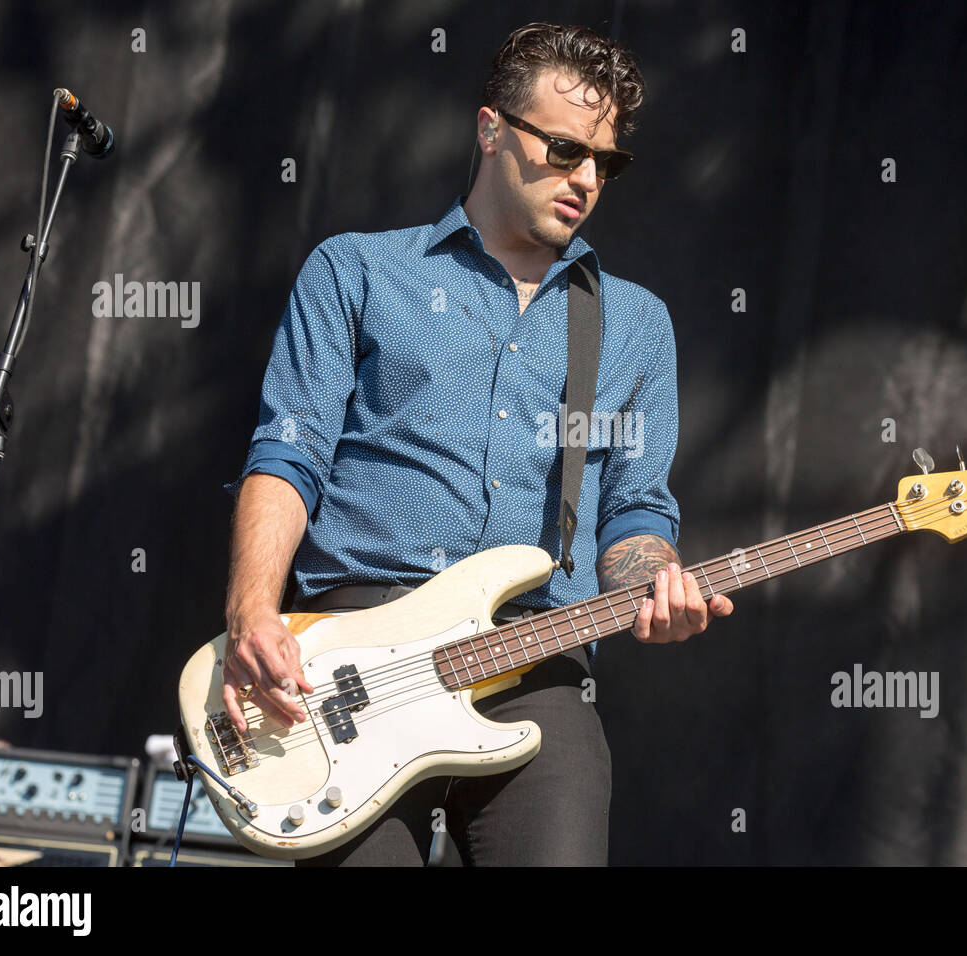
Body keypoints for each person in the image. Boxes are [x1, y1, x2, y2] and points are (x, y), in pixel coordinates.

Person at [220, 22, 733, 866]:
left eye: (608, 161)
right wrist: (251, 615)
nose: (588, 178)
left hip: (534, 658)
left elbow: (635, 510)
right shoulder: (357, 270)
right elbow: (288, 455)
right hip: (351, 654)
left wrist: (655, 584)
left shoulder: (635, 325)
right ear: (491, 129)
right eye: (565, 149)